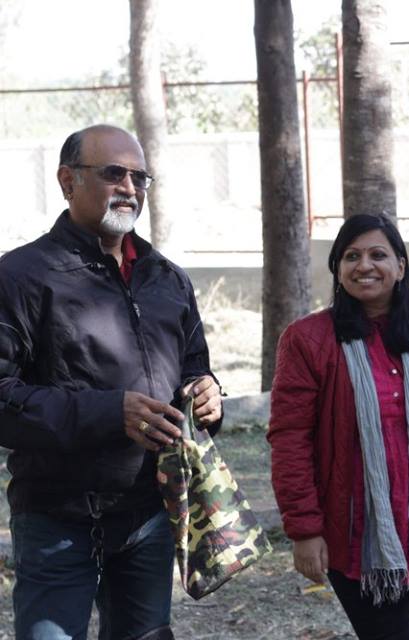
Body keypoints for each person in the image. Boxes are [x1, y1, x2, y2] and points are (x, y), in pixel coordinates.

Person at [0, 124, 223, 639]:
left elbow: (194, 367)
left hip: (150, 513)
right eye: (113, 173)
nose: (129, 187)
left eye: (139, 177)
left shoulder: (167, 278)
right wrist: (109, 412)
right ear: (67, 181)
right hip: (57, 519)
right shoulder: (20, 276)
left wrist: (207, 394)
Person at [267, 213, 409, 640]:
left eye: (378, 255)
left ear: (400, 266)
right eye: (351, 256)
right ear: (337, 269)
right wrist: (304, 529)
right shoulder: (308, 340)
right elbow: (290, 440)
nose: (364, 265)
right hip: (354, 533)